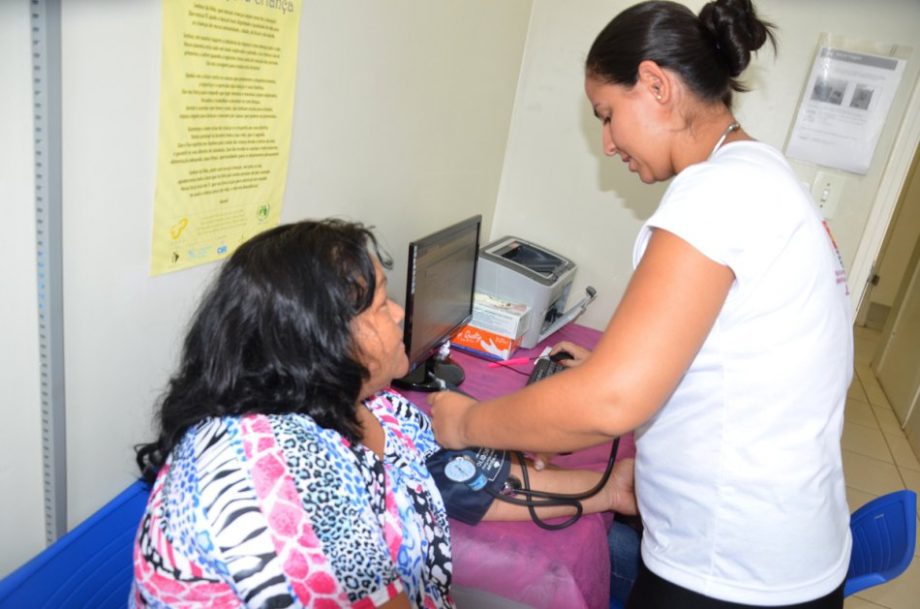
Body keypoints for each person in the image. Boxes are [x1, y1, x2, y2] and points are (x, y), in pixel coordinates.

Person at [430, 1, 853, 608]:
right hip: (791, 544)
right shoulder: (763, 175)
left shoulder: (716, 195)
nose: (607, 143)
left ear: (655, 84)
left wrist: (468, 422)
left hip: (731, 570)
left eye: (607, 115)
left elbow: (610, 401)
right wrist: (607, 371)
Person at [130, 218, 636, 609]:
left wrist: (610, 488)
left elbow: (470, 481)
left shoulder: (372, 407)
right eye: (377, 306)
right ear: (318, 343)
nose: (398, 313)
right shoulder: (270, 476)